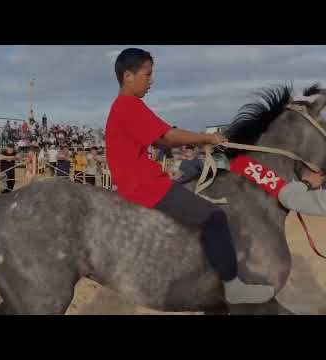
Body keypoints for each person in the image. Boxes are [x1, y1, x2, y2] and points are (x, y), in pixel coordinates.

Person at [105, 48, 275, 305]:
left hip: (143, 182)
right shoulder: (129, 105)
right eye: (147, 74)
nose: (151, 81)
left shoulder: (126, 106)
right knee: (215, 216)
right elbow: (169, 137)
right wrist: (207, 137)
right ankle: (233, 285)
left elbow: (162, 141)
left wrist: (196, 143)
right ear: (128, 76)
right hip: (144, 187)